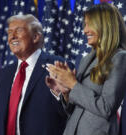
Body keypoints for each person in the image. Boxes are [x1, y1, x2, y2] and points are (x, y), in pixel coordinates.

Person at [45, 3, 126, 135]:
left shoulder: (120, 58)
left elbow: (106, 108)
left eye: (89, 24)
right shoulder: (86, 60)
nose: (84, 30)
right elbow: (74, 110)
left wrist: (73, 84)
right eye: (84, 25)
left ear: (104, 25)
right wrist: (65, 92)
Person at [0, 14, 67, 135]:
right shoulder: (4, 74)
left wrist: (62, 94)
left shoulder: (57, 66)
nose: (12, 37)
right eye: (9, 32)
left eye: (18, 30)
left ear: (35, 37)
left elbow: (69, 112)